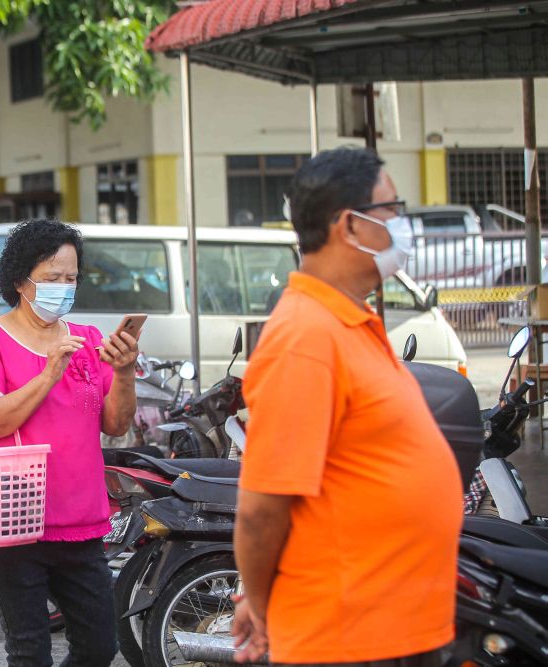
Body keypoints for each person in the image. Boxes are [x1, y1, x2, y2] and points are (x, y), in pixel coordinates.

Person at [231, 148, 462, 667]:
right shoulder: (304, 337)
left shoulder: (345, 322)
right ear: (347, 225)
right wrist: (264, 606)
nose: (403, 225)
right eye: (391, 208)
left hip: (393, 629)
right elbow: (261, 512)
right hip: (347, 638)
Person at [0, 219, 138, 667]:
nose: (64, 287)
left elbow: (115, 423)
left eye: (71, 278)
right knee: (29, 651)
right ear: (20, 281)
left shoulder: (89, 340)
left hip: (82, 519)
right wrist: (49, 374)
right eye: (52, 278)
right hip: (16, 521)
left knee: (99, 647)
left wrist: (125, 370)